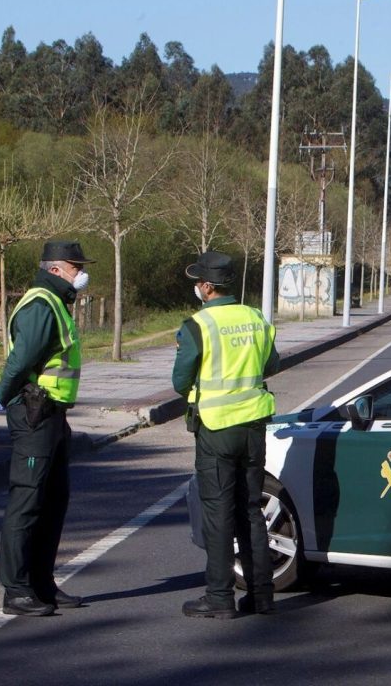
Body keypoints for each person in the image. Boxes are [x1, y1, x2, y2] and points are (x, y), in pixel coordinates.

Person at [0, 240, 94, 616]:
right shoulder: (42, 304)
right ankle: (16, 589)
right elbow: (22, 358)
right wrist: (3, 392)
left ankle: (42, 583)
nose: (81, 274)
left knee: (53, 500)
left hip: (52, 414)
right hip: (34, 413)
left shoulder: (55, 302)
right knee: (28, 501)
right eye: (76, 267)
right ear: (56, 269)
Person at [172, 251, 279, 619]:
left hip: (216, 428)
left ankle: (219, 597)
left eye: (197, 282)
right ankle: (262, 595)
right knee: (251, 510)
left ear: (206, 286)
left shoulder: (197, 325)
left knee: (217, 514)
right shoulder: (255, 318)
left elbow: (178, 381)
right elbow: (273, 363)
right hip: (253, 426)